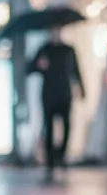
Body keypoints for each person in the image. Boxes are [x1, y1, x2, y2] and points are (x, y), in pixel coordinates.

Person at [30, 27, 85, 179]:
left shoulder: (68, 50)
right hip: (48, 94)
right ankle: (50, 161)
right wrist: (38, 65)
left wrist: (81, 89)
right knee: (48, 127)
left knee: (67, 125)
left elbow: (76, 70)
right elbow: (30, 68)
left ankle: (61, 155)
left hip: (64, 93)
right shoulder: (44, 49)